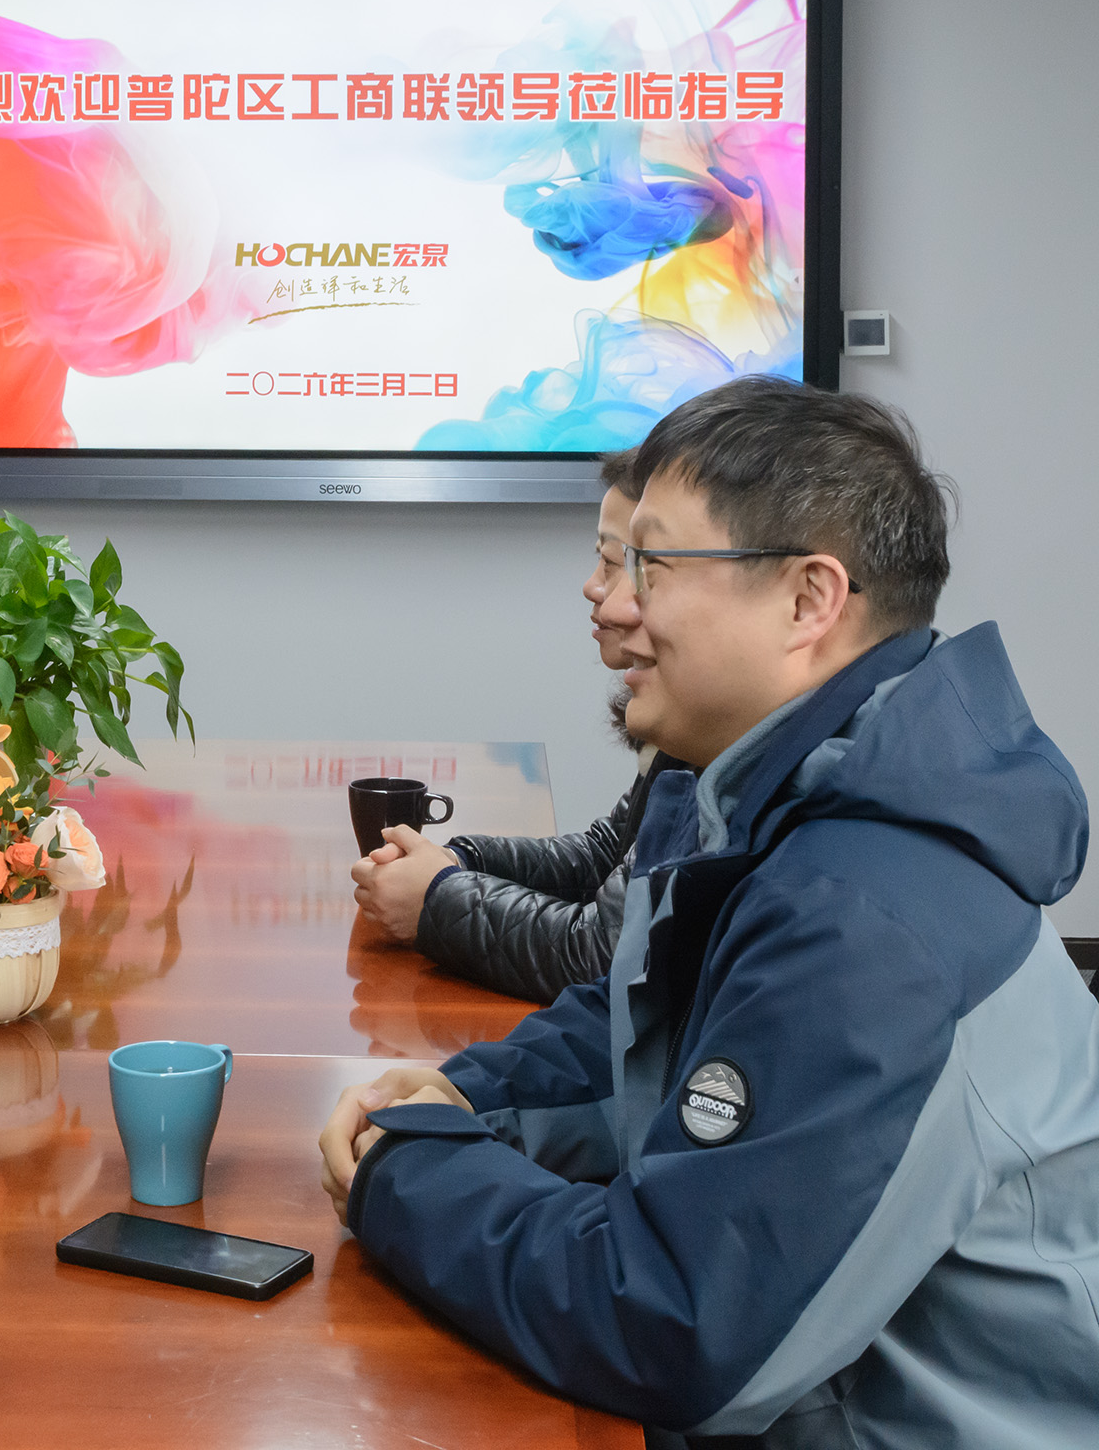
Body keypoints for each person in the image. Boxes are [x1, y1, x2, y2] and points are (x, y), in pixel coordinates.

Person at [319, 379, 1099, 1447]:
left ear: (809, 601)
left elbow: (676, 1325)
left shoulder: (866, 918)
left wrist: (407, 1176)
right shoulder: (760, 795)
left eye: (651, 563)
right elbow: (642, 1027)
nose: (613, 603)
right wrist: (465, 1096)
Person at [351, 450, 682, 1002]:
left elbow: (601, 956)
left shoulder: (711, 744)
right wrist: (460, 862)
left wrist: (437, 899)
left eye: (618, 563)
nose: (597, 591)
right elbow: (607, 857)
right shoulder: (688, 736)